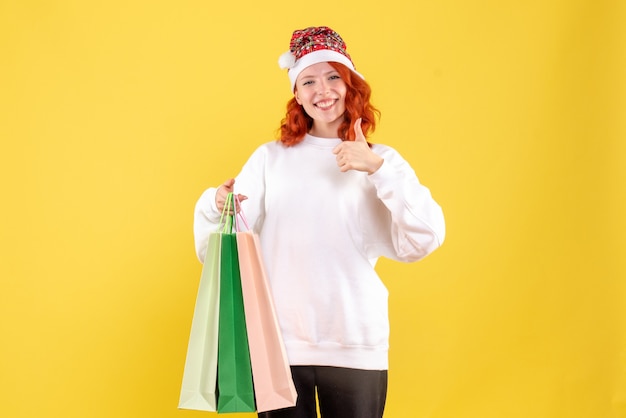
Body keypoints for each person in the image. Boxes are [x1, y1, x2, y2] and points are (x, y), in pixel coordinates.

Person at [194, 26, 446, 418]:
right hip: (278, 343)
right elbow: (221, 249)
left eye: (332, 77)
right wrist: (216, 203)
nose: (322, 90)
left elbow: (426, 237)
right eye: (308, 81)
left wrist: (377, 170)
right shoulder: (269, 159)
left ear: (350, 85)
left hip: (355, 341)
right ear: (297, 94)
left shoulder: (381, 160)